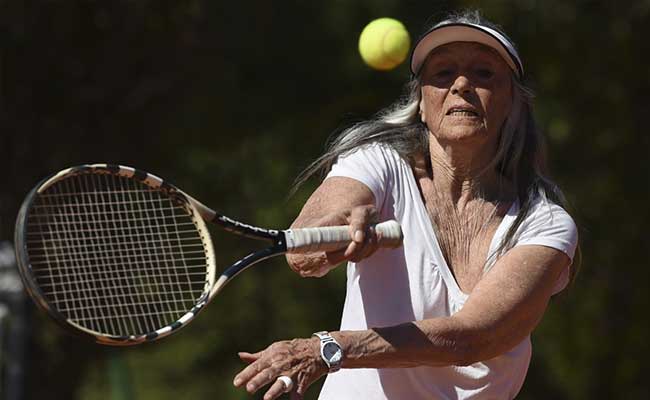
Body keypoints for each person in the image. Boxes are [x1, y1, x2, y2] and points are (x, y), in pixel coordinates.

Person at [233, 11, 578, 400]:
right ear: (421, 103)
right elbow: (305, 250)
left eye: (484, 74)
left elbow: (474, 338)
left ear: (514, 103)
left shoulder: (545, 223)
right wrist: (337, 229)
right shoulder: (376, 163)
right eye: (443, 74)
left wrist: (329, 349)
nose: (462, 84)